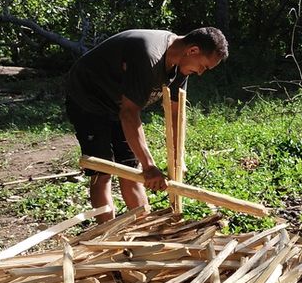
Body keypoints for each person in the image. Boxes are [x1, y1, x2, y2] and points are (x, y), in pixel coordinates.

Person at [66, 27, 228, 222]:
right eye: (203, 66)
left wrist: (179, 158)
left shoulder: (181, 66)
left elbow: (176, 113)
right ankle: (108, 235)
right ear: (192, 50)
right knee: (104, 170)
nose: (201, 73)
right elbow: (129, 114)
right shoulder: (150, 56)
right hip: (88, 98)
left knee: (131, 170)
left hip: (119, 102)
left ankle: (145, 229)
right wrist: (150, 165)